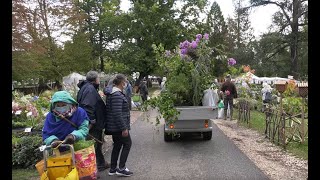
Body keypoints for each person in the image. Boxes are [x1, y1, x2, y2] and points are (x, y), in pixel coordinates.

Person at [77, 71, 110, 172]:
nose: (99, 80)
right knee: (94, 144)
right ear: (95, 79)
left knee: (96, 144)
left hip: (93, 122)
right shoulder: (89, 89)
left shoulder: (86, 87)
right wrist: (92, 121)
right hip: (93, 124)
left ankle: (100, 163)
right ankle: (94, 167)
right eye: (98, 79)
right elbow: (88, 106)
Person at [104, 74, 133, 177]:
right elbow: (117, 113)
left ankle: (113, 169)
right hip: (118, 127)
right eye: (125, 81)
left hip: (115, 126)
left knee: (117, 145)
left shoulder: (114, 93)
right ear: (121, 82)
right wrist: (124, 128)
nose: (126, 83)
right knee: (127, 144)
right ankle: (121, 168)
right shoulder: (116, 95)